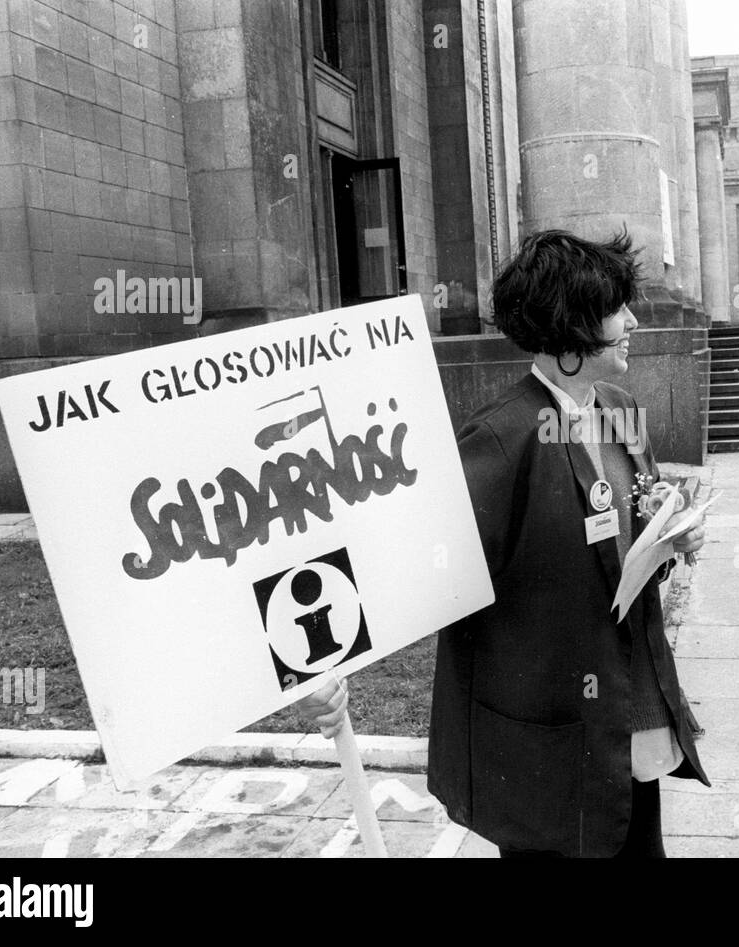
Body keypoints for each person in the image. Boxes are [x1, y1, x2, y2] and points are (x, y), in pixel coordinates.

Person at [298, 229, 709, 858]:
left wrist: (672, 538)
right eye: (615, 308)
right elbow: (421, 573)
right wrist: (326, 669)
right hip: (549, 743)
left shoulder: (620, 407)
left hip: (633, 717)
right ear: (571, 325)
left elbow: (627, 539)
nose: (632, 321)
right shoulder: (499, 437)